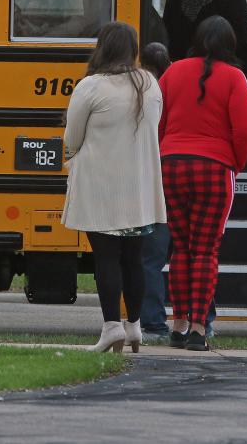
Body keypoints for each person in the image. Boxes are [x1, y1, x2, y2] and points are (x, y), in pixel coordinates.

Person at [61, 22, 166, 353]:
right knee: (133, 258)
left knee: (105, 258)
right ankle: (134, 326)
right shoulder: (149, 84)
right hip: (139, 189)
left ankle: (111, 327)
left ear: (102, 47)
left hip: (100, 186)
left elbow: (71, 138)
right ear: (133, 49)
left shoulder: (91, 86)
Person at [158, 15, 247, 351]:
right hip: (214, 168)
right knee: (205, 250)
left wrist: (163, 153)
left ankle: (178, 323)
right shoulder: (234, 77)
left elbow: (156, 121)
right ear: (230, 43)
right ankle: (199, 328)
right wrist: (235, 163)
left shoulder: (172, 72)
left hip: (170, 165)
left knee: (180, 248)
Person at [137, 42, 174, 343]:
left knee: (150, 256)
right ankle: (199, 319)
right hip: (177, 171)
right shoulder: (175, 86)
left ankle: (154, 321)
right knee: (194, 252)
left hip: (152, 176)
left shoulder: (143, 90)